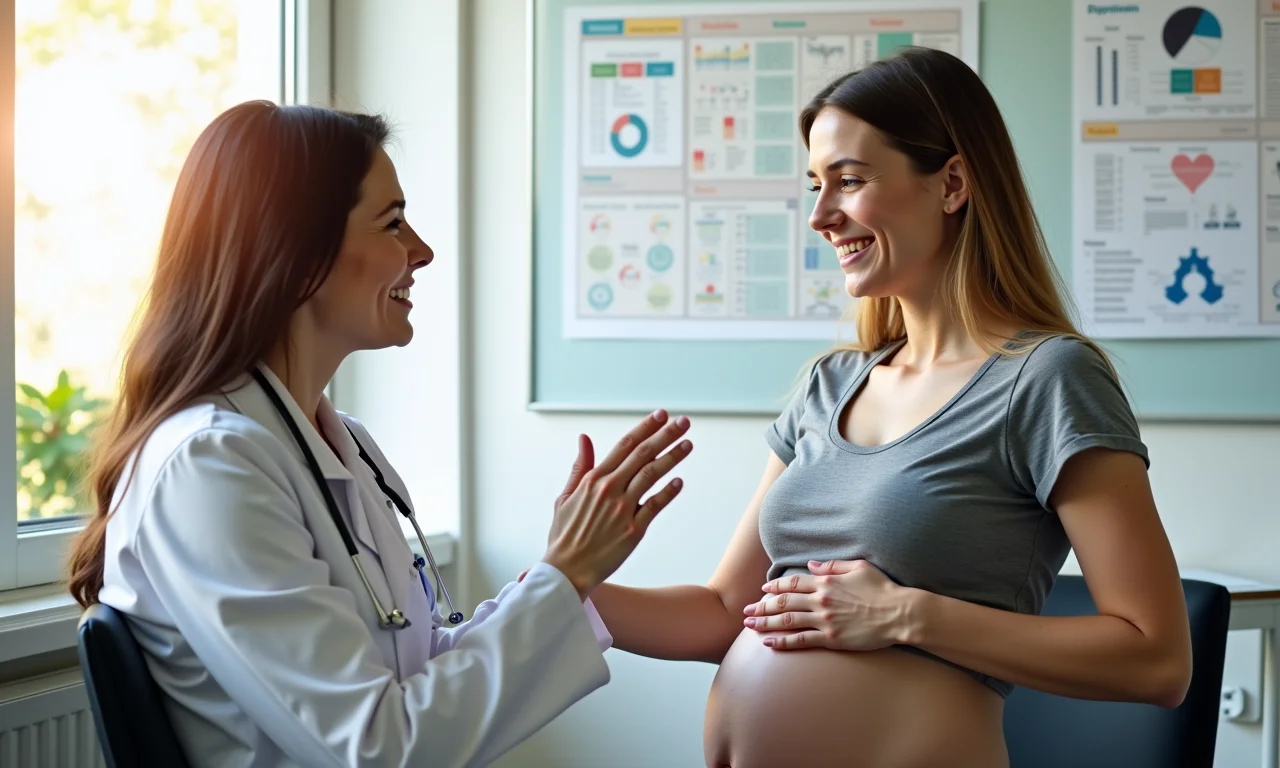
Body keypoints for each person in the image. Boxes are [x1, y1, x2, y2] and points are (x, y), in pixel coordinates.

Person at [588, 47, 1193, 768]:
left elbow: (1156, 659)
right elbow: (725, 614)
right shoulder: (828, 386)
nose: (819, 215)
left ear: (952, 183)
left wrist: (906, 614)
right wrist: (563, 588)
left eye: (848, 181)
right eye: (815, 185)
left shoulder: (1047, 379)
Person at [64, 100, 694, 768]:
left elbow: (414, 672)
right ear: (297, 251)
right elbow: (376, 749)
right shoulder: (209, 466)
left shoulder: (340, 444)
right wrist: (564, 574)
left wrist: (566, 575)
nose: (421, 251)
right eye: (393, 223)